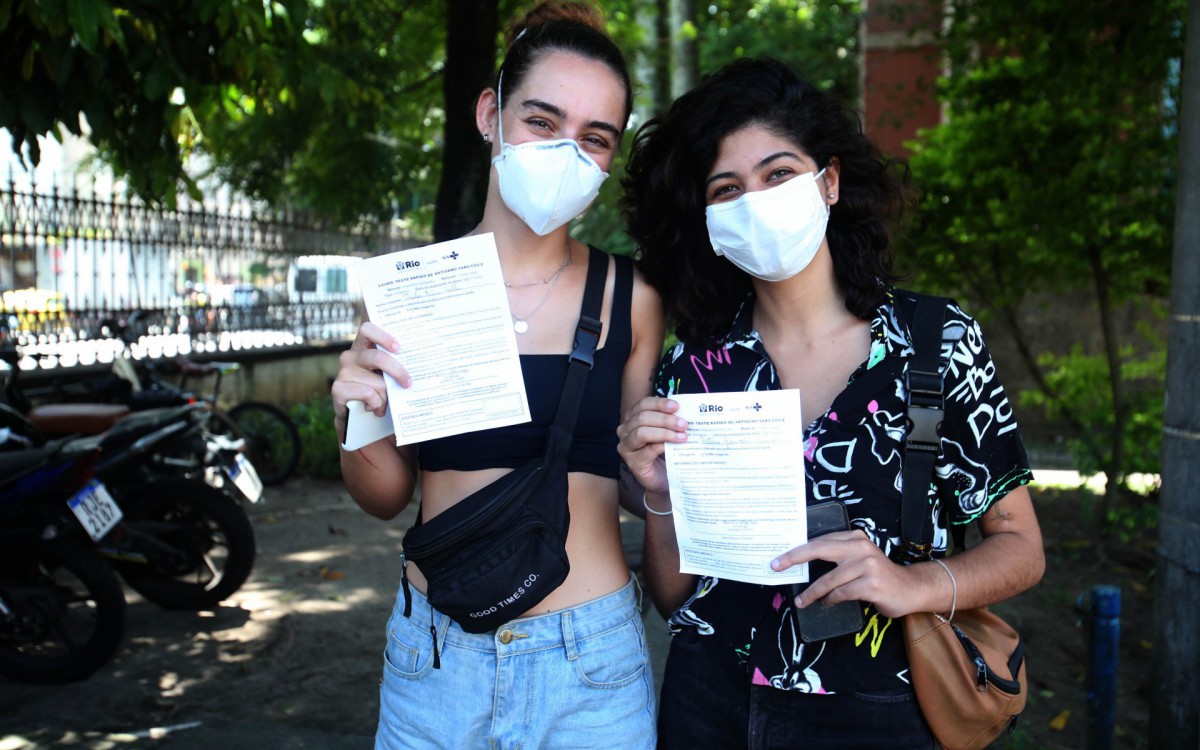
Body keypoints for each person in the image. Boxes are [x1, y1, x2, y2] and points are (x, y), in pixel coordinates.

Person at [617, 58, 1044, 749]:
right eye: (726, 189)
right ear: (706, 220)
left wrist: (914, 585)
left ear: (831, 182)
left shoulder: (934, 342)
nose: (753, 200)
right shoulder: (693, 368)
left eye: (778, 174)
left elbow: (1022, 548)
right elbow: (677, 598)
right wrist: (659, 495)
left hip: (882, 706)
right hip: (709, 703)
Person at [331, 4, 664, 748]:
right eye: (542, 122)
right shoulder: (410, 290)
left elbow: (642, 487)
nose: (565, 152)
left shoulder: (630, 298)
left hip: (590, 666)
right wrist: (354, 413)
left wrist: (669, 476)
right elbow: (385, 497)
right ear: (490, 113)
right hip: (435, 660)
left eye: (594, 138)